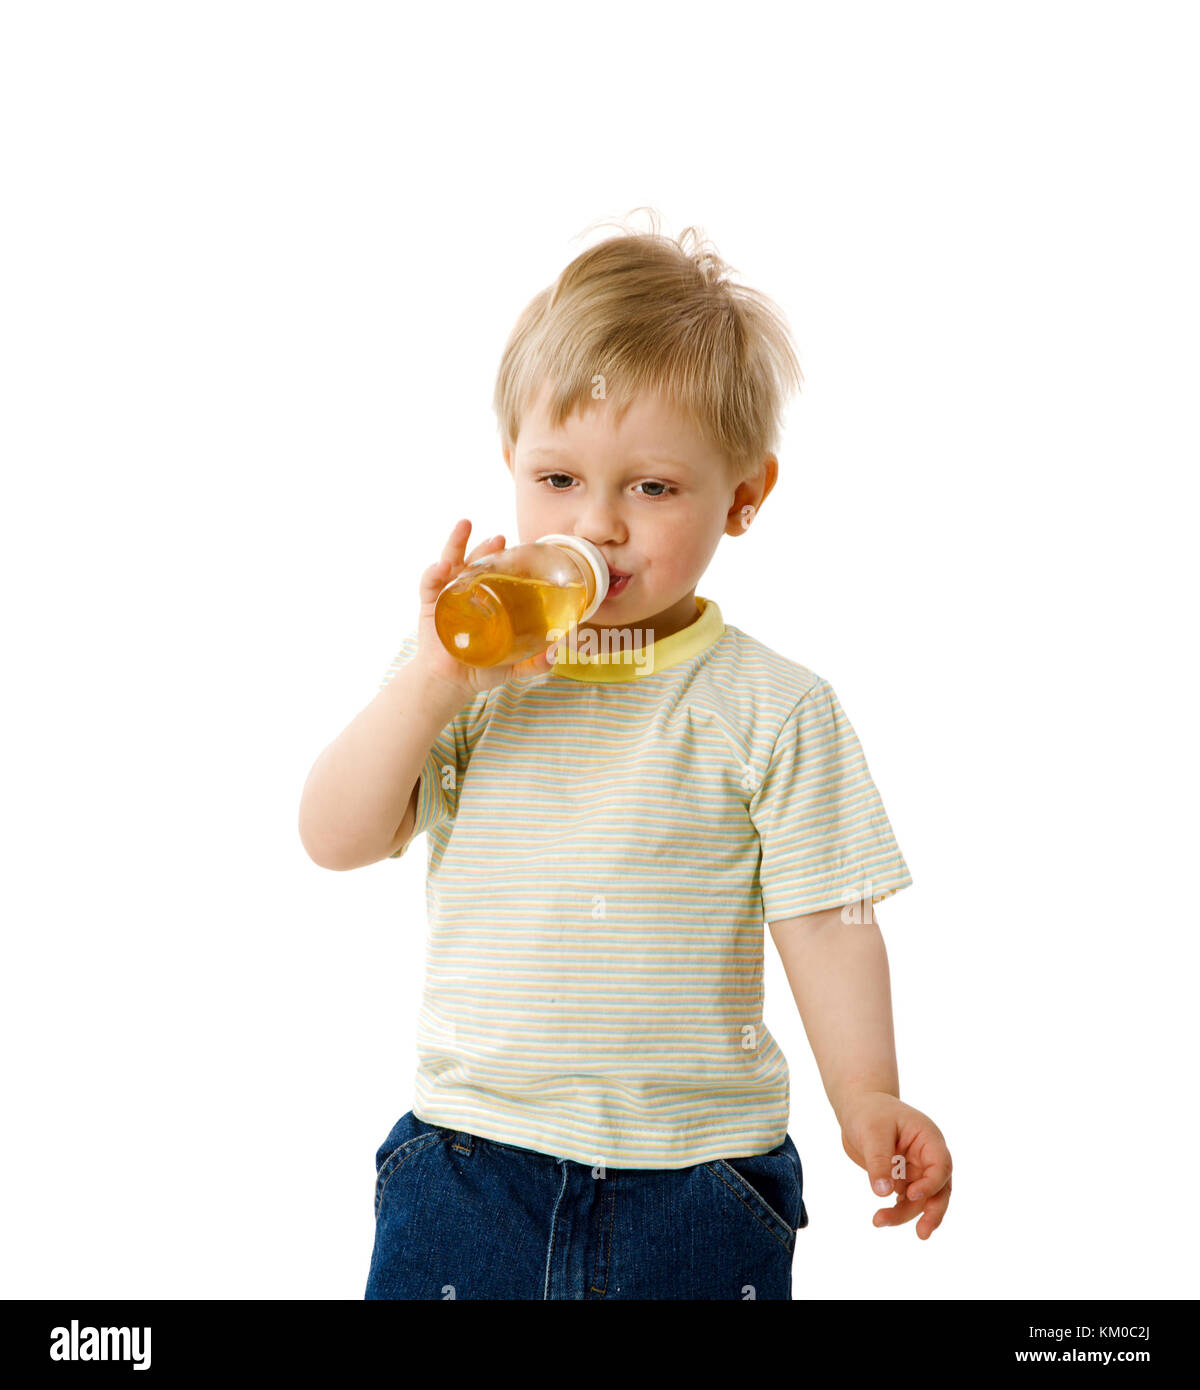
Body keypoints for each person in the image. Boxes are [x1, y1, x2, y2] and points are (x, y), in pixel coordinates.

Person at [298, 212, 952, 1300]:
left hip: (698, 1182)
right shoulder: (463, 672)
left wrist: (867, 1092)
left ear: (743, 496)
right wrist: (426, 688)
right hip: (469, 1162)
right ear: (512, 464)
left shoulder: (772, 706)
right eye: (559, 479)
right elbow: (334, 836)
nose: (597, 526)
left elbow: (826, 922)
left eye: (651, 488)